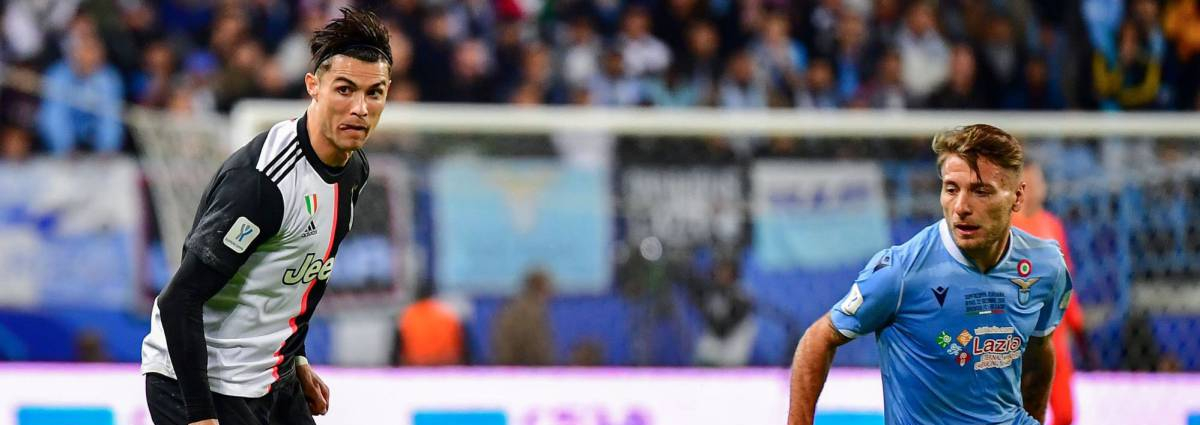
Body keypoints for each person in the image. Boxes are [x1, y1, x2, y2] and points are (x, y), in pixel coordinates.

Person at [140, 8, 390, 425]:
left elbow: (304, 276)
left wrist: (297, 356)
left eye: (374, 93)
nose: (360, 108)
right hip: (196, 383)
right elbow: (178, 299)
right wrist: (200, 416)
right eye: (345, 90)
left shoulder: (353, 170)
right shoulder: (262, 183)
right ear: (313, 86)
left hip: (271, 376)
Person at [787, 124, 1073, 425]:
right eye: (951, 189)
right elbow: (818, 339)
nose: (961, 207)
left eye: (980, 191)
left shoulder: (1045, 266)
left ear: (1017, 197)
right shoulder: (901, 271)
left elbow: (1040, 350)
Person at [1011, 160, 1089, 425]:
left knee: (1066, 413)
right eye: (1027, 184)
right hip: (1021, 332)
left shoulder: (1052, 225)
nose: (1033, 190)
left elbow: (1065, 278)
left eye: (1037, 183)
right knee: (1026, 410)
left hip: (1055, 332)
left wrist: (1076, 323)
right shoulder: (1006, 228)